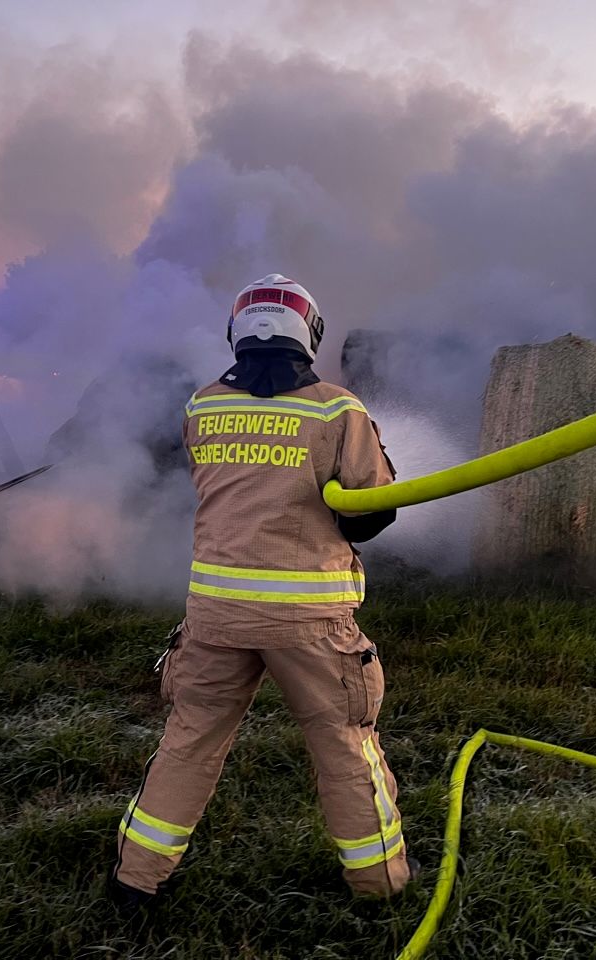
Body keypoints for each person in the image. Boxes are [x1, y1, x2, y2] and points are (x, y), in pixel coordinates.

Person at [112, 273, 413, 908]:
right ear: (311, 333)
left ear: (235, 334)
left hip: (216, 617)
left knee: (189, 740)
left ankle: (135, 881)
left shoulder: (203, 406)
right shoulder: (338, 410)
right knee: (346, 747)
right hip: (312, 623)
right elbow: (370, 512)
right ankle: (380, 884)